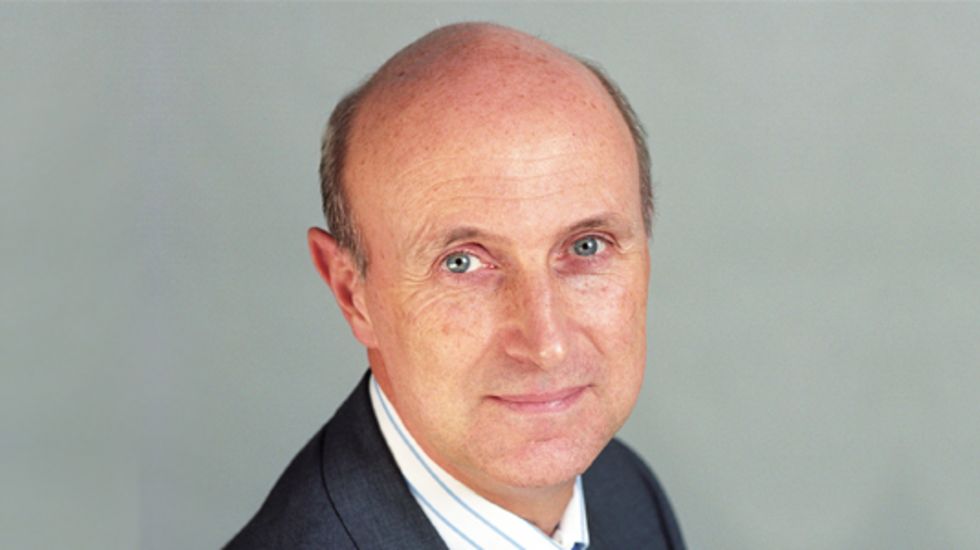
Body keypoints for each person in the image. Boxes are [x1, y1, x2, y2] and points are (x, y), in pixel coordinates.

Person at [227, 22, 685, 550]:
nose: (546, 345)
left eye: (586, 246)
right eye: (462, 263)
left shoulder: (623, 490)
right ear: (353, 293)